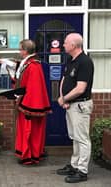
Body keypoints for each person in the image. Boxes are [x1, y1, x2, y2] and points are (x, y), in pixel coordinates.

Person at [56, 33, 94, 183]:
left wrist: (64, 98)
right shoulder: (71, 60)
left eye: (65, 43)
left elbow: (80, 88)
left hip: (80, 105)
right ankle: (74, 165)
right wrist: (63, 98)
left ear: (73, 45)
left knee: (82, 139)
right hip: (70, 105)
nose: (63, 45)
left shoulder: (85, 62)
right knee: (75, 138)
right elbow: (64, 80)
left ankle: (82, 171)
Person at [13, 39, 52, 165]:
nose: (19, 51)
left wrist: (27, 106)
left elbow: (34, 89)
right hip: (24, 101)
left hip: (29, 105)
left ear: (25, 51)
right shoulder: (28, 63)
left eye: (20, 49)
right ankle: (26, 154)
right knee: (26, 131)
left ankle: (30, 156)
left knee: (30, 131)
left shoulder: (34, 65)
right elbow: (22, 75)